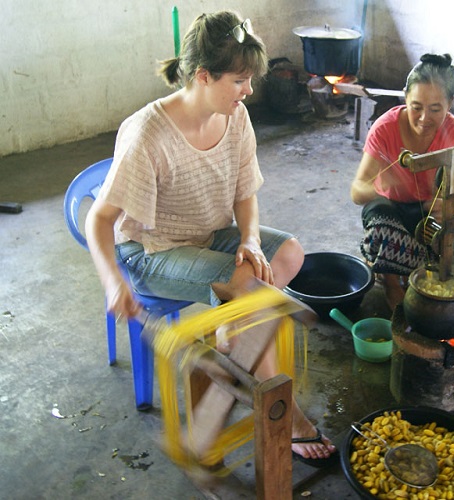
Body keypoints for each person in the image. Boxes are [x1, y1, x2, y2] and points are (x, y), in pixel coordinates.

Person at [84, 10, 337, 479]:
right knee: (249, 289)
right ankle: (286, 411)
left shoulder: (234, 116)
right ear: (203, 76)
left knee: (288, 255)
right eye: (240, 80)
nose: (249, 91)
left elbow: (246, 192)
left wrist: (251, 239)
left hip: (210, 232)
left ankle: (233, 343)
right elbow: (99, 220)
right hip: (153, 250)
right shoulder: (148, 134)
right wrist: (111, 281)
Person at [350, 53, 454, 310]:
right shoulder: (385, 128)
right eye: (416, 107)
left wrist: (452, 207)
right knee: (382, 222)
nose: (424, 118)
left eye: (435, 109)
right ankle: (390, 282)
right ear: (405, 98)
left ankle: (435, 277)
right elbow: (357, 191)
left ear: (450, 103)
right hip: (393, 210)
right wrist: (383, 186)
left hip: (430, 210)